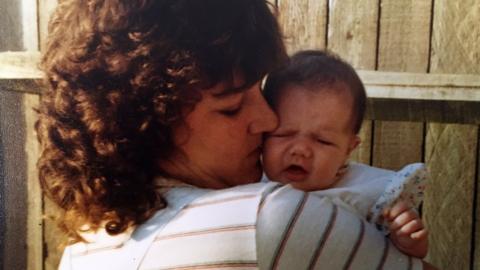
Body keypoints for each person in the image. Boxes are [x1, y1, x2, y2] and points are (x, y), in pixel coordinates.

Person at [35, 0, 437, 269]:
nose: (266, 120)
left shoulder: (85, 247)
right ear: (150, 123)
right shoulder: (268, 218)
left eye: (258, 92)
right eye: (230, 107)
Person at [262, 50, 428, 258]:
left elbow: (407, 260)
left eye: (322, 141)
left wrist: (408, 242)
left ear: (348, 149)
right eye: (283, 134)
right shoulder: (249, 187)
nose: (300, 150)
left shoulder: (369, 194)